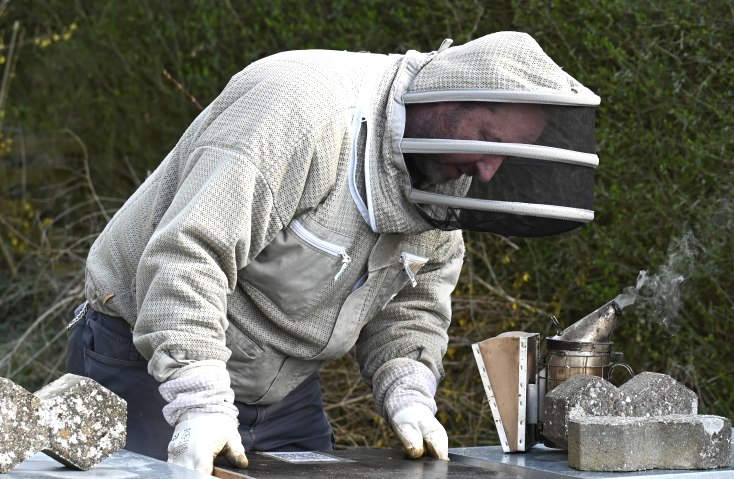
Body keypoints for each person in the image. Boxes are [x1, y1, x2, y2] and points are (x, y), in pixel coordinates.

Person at [65, 31, 600, 474]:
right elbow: (189, 257)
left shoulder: (441, 183)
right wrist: (200, 403)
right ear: (446, 98)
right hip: (150, 360)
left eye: (504, 156)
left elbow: (411, 303)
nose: (488, 171)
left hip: (286, 389)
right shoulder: (299, 112)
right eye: (486, 139)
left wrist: (408, 391)